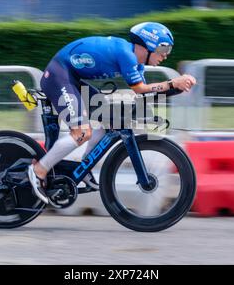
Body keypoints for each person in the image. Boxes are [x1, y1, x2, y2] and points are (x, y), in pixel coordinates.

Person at [28, 22, 197, 204]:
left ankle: (84, 167)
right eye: (164, 48)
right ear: (148, 44)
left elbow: (147, 94)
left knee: (110, 118)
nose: (166, 55)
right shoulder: (126, 55)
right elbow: (141, 89)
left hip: (71, 77)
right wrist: (173, 83)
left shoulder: (137, 65)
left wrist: (178, 89)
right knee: (81, 132)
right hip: (59, 75)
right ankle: (39, 170)